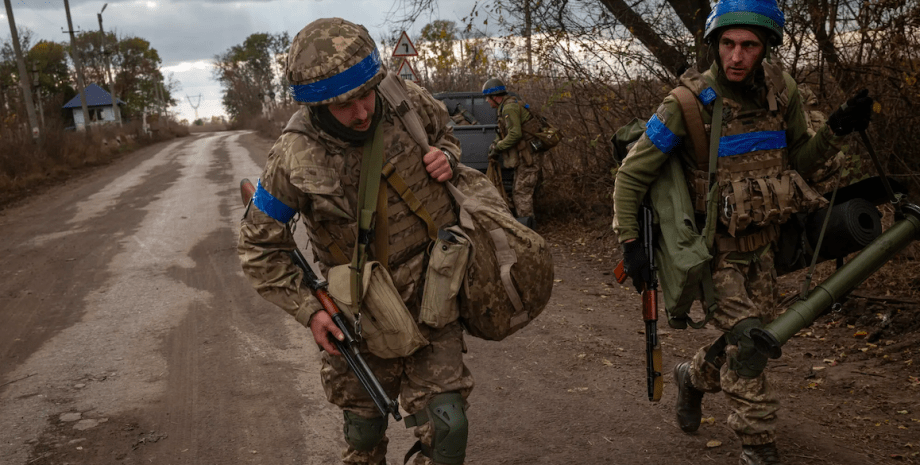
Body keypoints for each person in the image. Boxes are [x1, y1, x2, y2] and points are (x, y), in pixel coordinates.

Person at [611, 1, 873, 464]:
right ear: (714, 44)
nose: (736, 56)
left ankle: (692, 377)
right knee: (751, 346)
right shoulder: (685, 104)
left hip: (766, 245)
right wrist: (630, 243)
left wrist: (834, 131)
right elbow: (631, 176)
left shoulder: (781, 90)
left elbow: (802, 163)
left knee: (755, 337)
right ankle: (758, 446)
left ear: (767, 47)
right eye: (727, 44)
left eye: (749, 45)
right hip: (716, 252)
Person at [238, 18, 473, 465]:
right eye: (344, 105)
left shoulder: (404, 100)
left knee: (448, 426)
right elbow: (258, 249)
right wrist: (310, 312)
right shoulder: (293, 154)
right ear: (316, 106)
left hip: (434, 297)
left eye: (366, 93)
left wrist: (447, 155)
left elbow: (446, 134)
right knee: (364, 437)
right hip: (357, 316)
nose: (362, 111)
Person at [482, 77, 543, 228]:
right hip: (525, 156)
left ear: (495, 97)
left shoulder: (509, 108)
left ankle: (529, 232)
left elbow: (515, 134)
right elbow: (504, 132)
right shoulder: (505, 107)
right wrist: (496, 143)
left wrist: (498, 147)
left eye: (488, 98)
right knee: (519, 192)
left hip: (529, 157)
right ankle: (527, 228)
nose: (487, 101)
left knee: (521, 194)